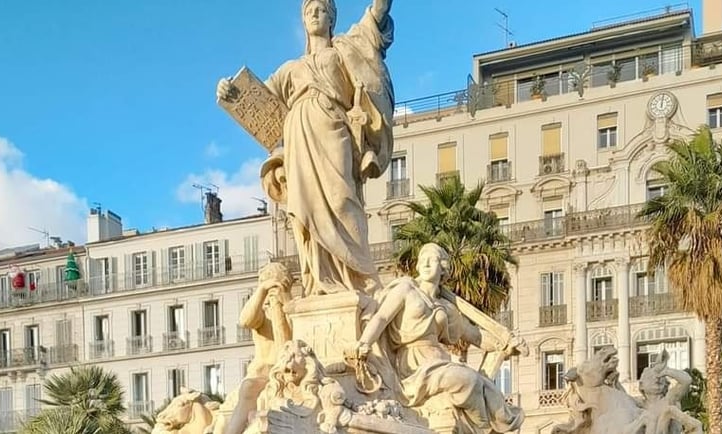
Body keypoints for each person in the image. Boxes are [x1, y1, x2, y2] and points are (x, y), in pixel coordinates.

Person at [217, 0, 395, 296]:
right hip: (298, 133)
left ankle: (359, 279)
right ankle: (318, 282)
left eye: (321, 9)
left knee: (342, 201)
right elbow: (257, 99)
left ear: (332, 18)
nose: (314, 13)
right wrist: (228, 89)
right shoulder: (290, 68)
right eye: (308, 9)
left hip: (333, 129)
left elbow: (373, 23)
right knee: (303, 215)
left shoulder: (344, 49)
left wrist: (379, 6)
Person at [354, 243, 524, 433]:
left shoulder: (446, 307)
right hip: (413, 366)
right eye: (422, 259)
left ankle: (483, 426)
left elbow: (474, 335)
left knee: (486, 388)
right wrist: (364, 343)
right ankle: (483, 428)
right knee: (468, 379)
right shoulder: (406, 289)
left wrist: (505, 345)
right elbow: (382, 317)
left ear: (443, 268)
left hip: (439, 361)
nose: (426, 263)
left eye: (432, 259)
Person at [217, 263, 294, 434]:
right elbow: (245, 320)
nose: (272, 290)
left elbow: (292, 338)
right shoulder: (261, 314)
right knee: (248, 387)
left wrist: (284, 301)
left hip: (288, 372)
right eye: (266, 284)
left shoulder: (292, 310)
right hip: (261, 374)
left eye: (277, 284)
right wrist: (262, 291)